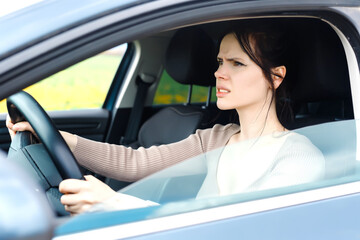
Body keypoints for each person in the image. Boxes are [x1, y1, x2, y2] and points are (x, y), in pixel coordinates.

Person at [6, 21, 325, 215]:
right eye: (219, 61)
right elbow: (135, 163)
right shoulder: (216, 137)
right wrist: (56, 137)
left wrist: (115, 204)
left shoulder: (298, 155)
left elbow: (238, 229)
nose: (218, 73)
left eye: (236, 64)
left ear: (276, 76)